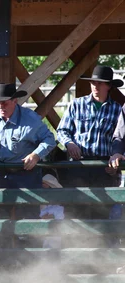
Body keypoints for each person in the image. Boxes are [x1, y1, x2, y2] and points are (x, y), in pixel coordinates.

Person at [0, 83, 56, 218]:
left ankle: (29, 239)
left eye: (4, 103)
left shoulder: (30, 119)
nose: (0, 106)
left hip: (28, 174)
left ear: (15, 101)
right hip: (4, 172)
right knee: (0, 215)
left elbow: (49, 139)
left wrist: (36, 155)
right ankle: (3, 240)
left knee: (28, 216)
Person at [57, 65, 122, 218]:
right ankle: (76, 241)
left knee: (102, 213)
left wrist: (116, 159)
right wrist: (69, 143)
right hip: (79, 164)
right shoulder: (76, 104)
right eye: (93, 82)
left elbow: (120, 139)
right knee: (75, 211)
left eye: (100, 83)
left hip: (104, 167)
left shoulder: (118, 109)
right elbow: (62, 130)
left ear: (109, 86)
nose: (95, 86)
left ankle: (100, 242)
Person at [39, 174, 64, 249]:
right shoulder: (42, 203)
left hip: (54, 233)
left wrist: (48, 216)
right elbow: (42, 217)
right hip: (42, 233)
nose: (42, 186)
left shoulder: (58, 207)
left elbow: (56, 218)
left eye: (44, 184)